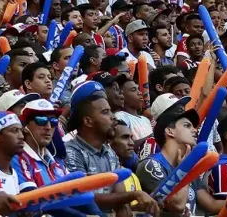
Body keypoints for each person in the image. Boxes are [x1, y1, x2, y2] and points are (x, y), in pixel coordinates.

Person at [64, 82, 161, 215]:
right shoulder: (71, 151)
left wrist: (145, 205)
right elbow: (85, 200)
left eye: (110, 111)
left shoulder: (109, 152)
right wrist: (134, 195)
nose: (113, 117)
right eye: (105, 112)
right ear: (88, 121)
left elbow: (120, 198)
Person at [135, 95, 199, 214]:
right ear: (170, 131)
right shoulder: (150, 165)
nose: (195, 130)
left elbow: (205, 205)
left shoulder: (190, 166)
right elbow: (177, 205)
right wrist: (184, 169)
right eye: (187, 125)